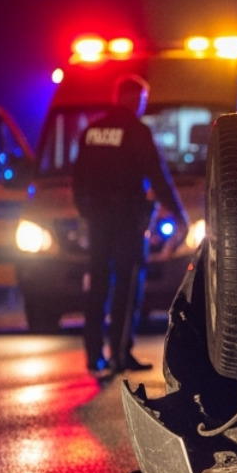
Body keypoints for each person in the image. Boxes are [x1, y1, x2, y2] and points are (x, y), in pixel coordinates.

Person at [71, 74, 187, 380]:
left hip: (98, 219)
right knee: (127, 284)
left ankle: (94, 355)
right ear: (132, 99)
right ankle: (120, 354)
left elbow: (78, 177)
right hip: (127, 220)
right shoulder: (136, 131)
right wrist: (179, 214)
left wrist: (86, 213)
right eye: (142, 100)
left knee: (97, 284)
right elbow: (157, 175)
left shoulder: (92, 131)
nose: (142, 106)